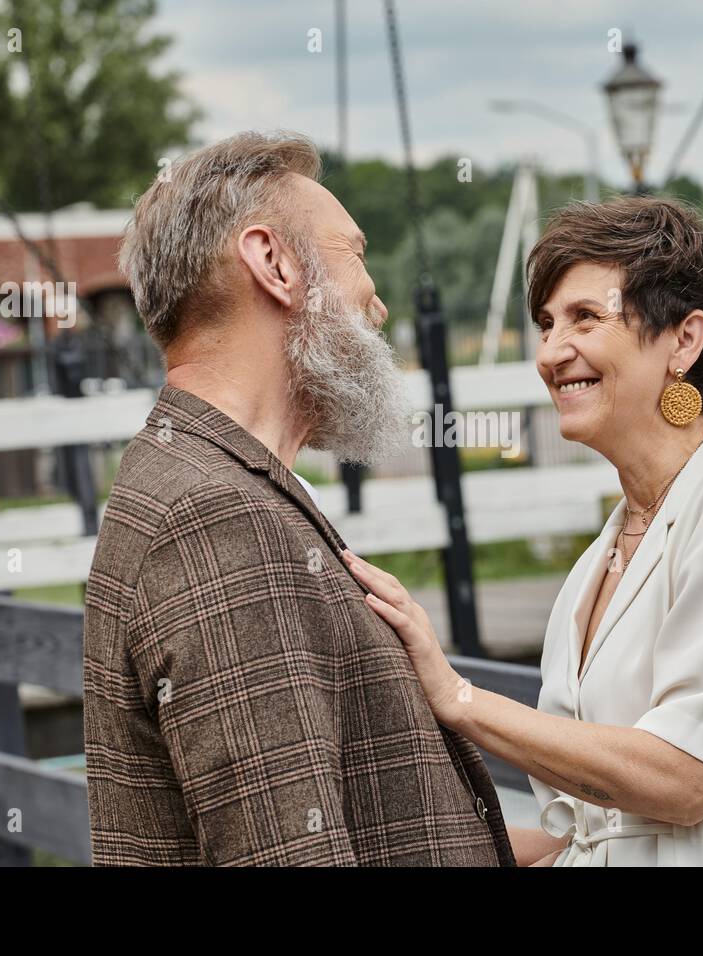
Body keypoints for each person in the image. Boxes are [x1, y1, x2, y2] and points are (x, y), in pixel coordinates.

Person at [346, 196, 703, 866]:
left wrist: (459, 698)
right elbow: (590, 839)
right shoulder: (602, 558)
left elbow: (685, 782)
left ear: (685, 341)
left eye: (585, 318)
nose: (552, 352)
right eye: (547, 324)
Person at [83, 131, 514, 867]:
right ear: (274, 263)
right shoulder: (215, 518)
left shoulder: (206, 477)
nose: (375, 300)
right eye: (355, 254)